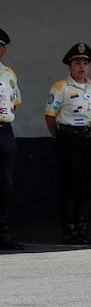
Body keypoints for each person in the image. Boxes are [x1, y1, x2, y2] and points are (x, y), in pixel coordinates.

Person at [44, 43, 91, 245]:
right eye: (77, 63)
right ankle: (70, 230)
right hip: (69, 137)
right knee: (71, 185)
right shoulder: (61, 87)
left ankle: (83, 229)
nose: (82, 67)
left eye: (85, 63)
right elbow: (50, 115)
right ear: (70, 66)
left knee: (87, 185)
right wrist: (58, 135)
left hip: (90, 137)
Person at [0, 28, 23, 250]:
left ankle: (3, 233)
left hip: (5, 130)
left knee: (5, 185)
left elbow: (14, 102)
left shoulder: (9, 74)